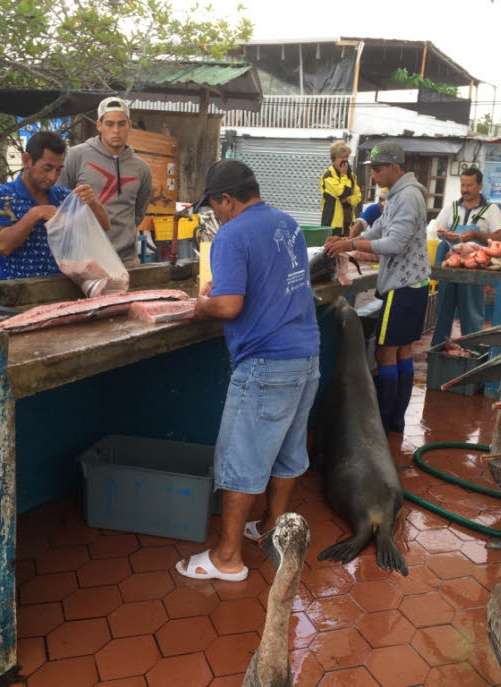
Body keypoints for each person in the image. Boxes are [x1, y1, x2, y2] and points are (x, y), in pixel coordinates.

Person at [176, 159, 320, 582]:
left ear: (226, 199)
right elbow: (271, 281)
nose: (214, 214)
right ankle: (273, 528)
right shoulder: (288, 224)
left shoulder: (232, 233)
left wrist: (201, 303)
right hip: (306, 356)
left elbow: (228, 306)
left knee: (240, 459)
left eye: (214, 206)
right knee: (288, 451)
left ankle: (226, 558)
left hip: (266, 362)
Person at [326, 141, 429, 435]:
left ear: (396, 167)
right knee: (403, 350)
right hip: (412, 283)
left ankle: (382, 425)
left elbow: (395, 244)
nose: (374, 176)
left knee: (386, 352)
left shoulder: (408, 197)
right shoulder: (398, 195)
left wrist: (353, 244)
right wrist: (348, 240)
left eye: (379, 169)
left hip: (403, 286)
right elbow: (381, 229)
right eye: (373, 170)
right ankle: (394, 422)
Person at [0, 130, 108, 280]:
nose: (53, 177)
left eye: (59, 170)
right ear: (27, 160)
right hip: (15, 292)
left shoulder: (63, 196)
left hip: (60, 289)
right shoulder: (1, 195)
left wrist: (92, 202)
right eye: (47, 168)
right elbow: (2, 246)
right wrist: (35, 214)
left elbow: (103, 226)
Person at [58, 96, 152, 267]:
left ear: (129, 126)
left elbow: (138, 214)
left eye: (121, 124)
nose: (116, 130)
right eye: (109, 124)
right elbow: (60, 202)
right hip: (84, 259)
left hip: (127, 260)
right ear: (99, 125)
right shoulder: (76, 156)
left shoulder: (141, 168)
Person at [430, 167, 501, 344]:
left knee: (472, 313)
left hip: (474, 268)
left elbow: (499, 237)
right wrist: (444, 233)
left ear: (480, 185)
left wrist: (475, 235)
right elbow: (438, 228)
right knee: (443, 312)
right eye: (463, 185)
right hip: (449, 266)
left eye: (469, 185)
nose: (465, 189)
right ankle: (439, 350)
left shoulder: (491, 209)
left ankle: (472, 350)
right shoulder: (452, 207)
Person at [319, 141, 361, 236]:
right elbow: (342, 192)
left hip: (349, 223)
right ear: (334, 158)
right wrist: (343, 175)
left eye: (347, 157)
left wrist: (348, 200)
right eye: (342, 157)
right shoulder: (328, 176)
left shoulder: (352, 176)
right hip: (332, 223)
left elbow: (358, 196)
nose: (345, 160)